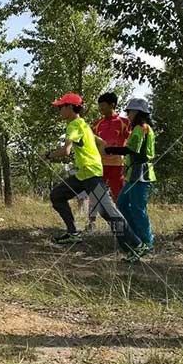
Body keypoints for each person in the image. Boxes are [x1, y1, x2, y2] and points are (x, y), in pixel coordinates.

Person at [45, 93, 145, 262]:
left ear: (70, 108)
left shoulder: (74, 125)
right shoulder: (83, 124)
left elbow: (66, 150)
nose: (59, 110)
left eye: (61, 107)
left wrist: (48, 155)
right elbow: (101, 142)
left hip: (91, 175)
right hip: (83, 175)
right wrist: (98, 154)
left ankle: (136, 246)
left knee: (108, 212)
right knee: (57, 195)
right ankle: (73, 233)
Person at [105, 98, 156, 254]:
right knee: (121, 204)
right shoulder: (139, 128)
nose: (128, 115)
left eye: (130, 112)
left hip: (141, 174)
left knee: (138, 209)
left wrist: (111, 150)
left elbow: (132, 150)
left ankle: (146, 242)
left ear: (138, 113)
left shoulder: (142, 128)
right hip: (132, 174)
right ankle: (134, 237)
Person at [87, 92, 131, 229]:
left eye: (103, 106)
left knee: (119, 195)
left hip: (117, 165)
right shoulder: (97, 124)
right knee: (95, 193)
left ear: (112, 105)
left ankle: (123, 223)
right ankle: (91, 223)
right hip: (99, 165)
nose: (101, 110)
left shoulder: (124, 122)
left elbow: (131, 143)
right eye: (99, 107)